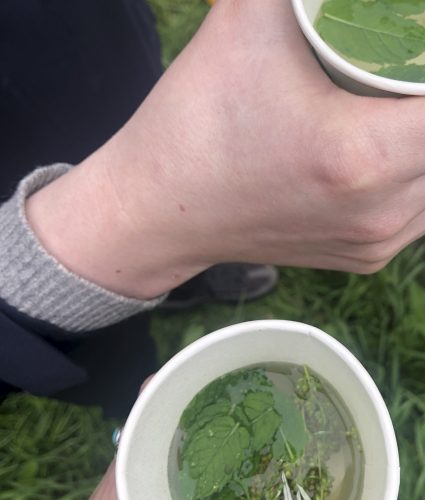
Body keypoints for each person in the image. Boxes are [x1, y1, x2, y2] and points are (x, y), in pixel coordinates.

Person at [1, 0, 425, 495]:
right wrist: (138, 212)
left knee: (118, 88)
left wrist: (158, 210)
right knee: (106, 361)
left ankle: (190, 273)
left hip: (76, 37)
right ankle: (126, 399)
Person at [0, 0, 276, 417]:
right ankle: (135, 406)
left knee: (145, 107)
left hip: (94, 36)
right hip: (29, 231)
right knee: (111, 358)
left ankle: (188, 280)